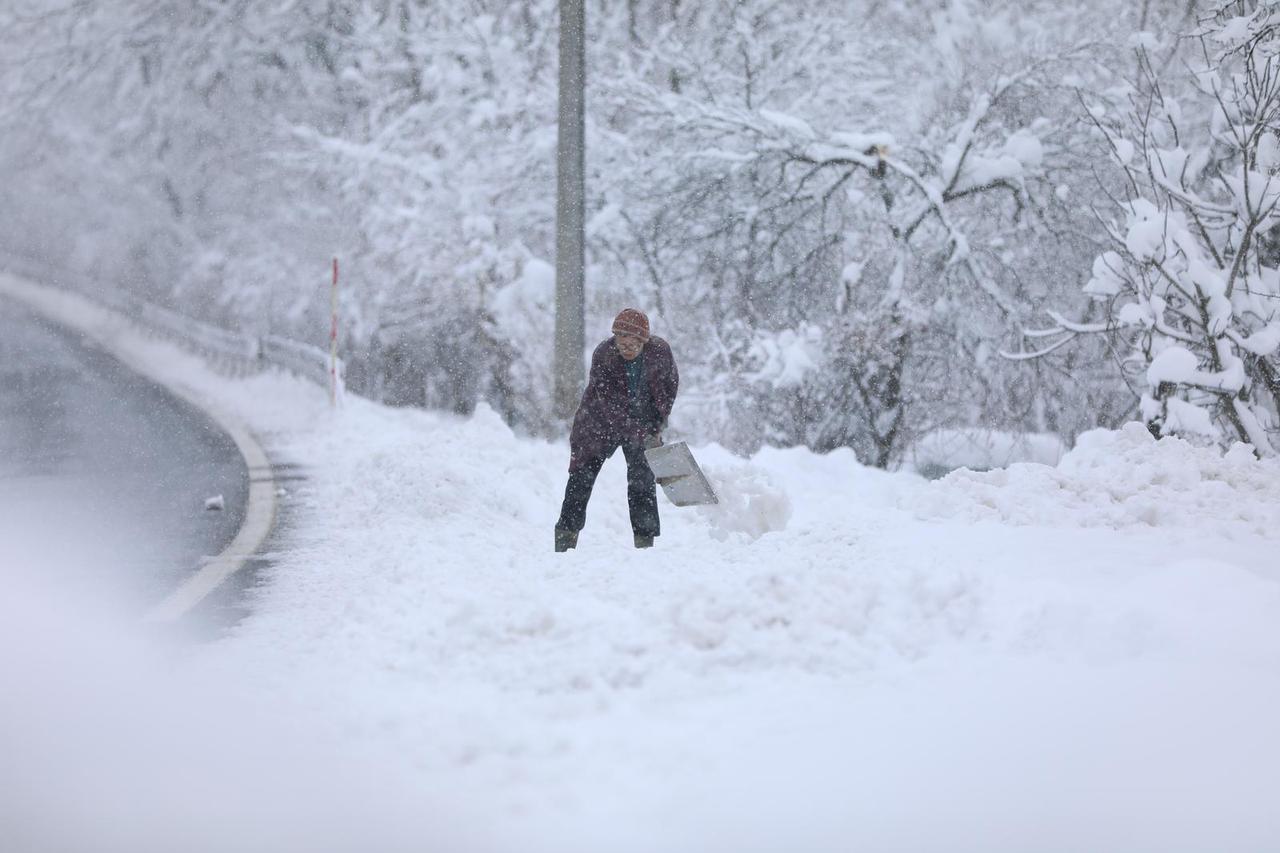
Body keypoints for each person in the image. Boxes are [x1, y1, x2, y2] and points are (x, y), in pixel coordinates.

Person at [555, 308, 678, 552]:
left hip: (642, 423)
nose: (626, 349)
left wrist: (657, 425)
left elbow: (669, 387)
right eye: (621, 342)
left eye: (632, 344)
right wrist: (642, 433)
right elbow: (610, 406)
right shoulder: (604, 355)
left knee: (642, 482)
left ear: (644, 341)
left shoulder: (660, 353)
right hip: (597, 424)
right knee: (580, 481)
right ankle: (565, 541)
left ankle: (645, 545)